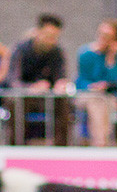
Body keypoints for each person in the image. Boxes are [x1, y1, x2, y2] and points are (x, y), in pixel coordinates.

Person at [4, 13, 72, 145]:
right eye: (48, 36)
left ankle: (62, 147)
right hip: (25, 96)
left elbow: (61, 77)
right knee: (16, 102)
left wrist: (61, 85)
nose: (51, 40)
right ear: (37, 32)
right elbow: (12, 82)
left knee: (65, 102)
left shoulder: (57, 52)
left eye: (54, 37)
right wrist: (32, 88)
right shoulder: (20, 50)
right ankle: (16, 146)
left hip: (48, 97)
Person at [75, 19, 117, 147]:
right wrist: (93, 87)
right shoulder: (85, 53)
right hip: (86, 94)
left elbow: (114, 78)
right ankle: (101, 144)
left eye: (108, 36)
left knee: (102, 102)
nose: (103, 38)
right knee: (97, 101)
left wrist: (111, 57)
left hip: (108, 96)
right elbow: (82, 79)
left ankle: (100, 143)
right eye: (101, 34)